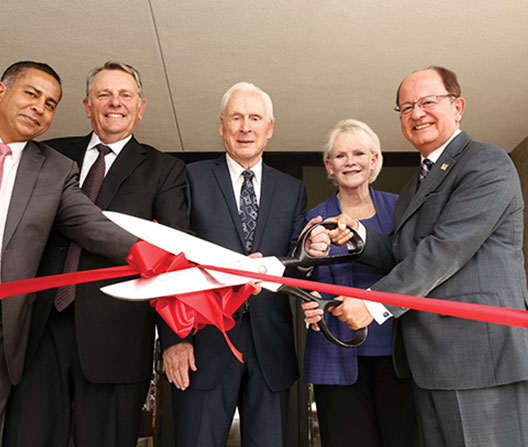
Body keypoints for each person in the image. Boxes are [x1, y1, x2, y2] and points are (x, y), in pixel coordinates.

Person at [305, 66, 528, 446]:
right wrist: (358, 235)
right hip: (425, 363)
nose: (417, 113)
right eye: (406, 107)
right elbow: (399, 253)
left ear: (457, 106)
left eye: (428, 102)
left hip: (477, 357)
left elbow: (446, 248)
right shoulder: (414, 186)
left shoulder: (486, 162)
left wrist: (372, 305)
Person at [0, 61, 138, 447]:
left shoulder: (55, 170)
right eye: (31, 94)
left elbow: (95, 227)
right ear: (0, 92)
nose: (40, 107)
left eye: (51, 103)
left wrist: (156, 254)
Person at [3, 62, 188, 447]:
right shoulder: (49, 154)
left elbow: (175, 256)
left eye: (125, 95)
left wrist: (175, 337)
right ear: (88, 106)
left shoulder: (164, 170)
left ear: (141, 107)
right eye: (104, 95)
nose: (114, 103)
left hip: (118, 338)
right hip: (40, 332)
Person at [158, 82, 308, 446]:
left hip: (270, 349)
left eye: (255, 118)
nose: (245, 127)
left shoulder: (292, 189)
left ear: (269, 128)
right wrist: (174, 340)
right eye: (236, 118)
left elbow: (299, 268)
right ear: (222, 126)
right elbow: (167, 260)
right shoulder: (189, 178)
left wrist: (305, 253)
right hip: (202, 346)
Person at [303, 119, 418, 447]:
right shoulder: (313, 217)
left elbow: (413, 267)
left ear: (375, 160)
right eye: (340, 156)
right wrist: (308, 293)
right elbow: (298, 276)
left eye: (358, 153)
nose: (349, 161)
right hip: (335, 358)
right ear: (329, 165)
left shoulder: (401, 209)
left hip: (398, 356)